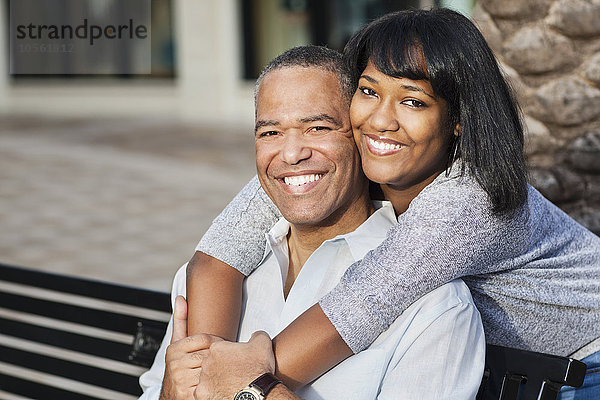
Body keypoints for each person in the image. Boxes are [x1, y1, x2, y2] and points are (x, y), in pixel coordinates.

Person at [186, 8, 600, 398]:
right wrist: (202, 364)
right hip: (512, 365)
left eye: (413, 101)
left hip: (587, 364)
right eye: (368, 91)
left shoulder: (471, 200)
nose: (381, 120)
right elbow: (217, 257)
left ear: (459, 119)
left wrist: (230, 377)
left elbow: (355, 309)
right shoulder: (350, 157)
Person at [138, 45, 485, 399]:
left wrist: (255, 390)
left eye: (318, 128)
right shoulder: (212, 282)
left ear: (365, 138)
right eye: (270, 133)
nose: (291, 154)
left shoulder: (435, 307)